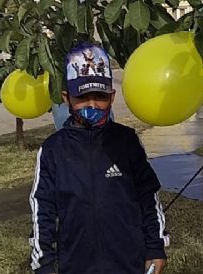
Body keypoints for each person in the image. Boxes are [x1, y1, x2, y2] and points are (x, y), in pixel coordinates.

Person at [29, 42, 169, 274]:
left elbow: (148, 196)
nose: (92, 104)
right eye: (83, 97)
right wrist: (43, 264)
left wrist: (155, 247)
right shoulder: (53, 150)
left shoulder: (127, 141)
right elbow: (42, 209)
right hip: (75, 266)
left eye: (100, 96)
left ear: (111, 97)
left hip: (129, 264)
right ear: (67, 98)